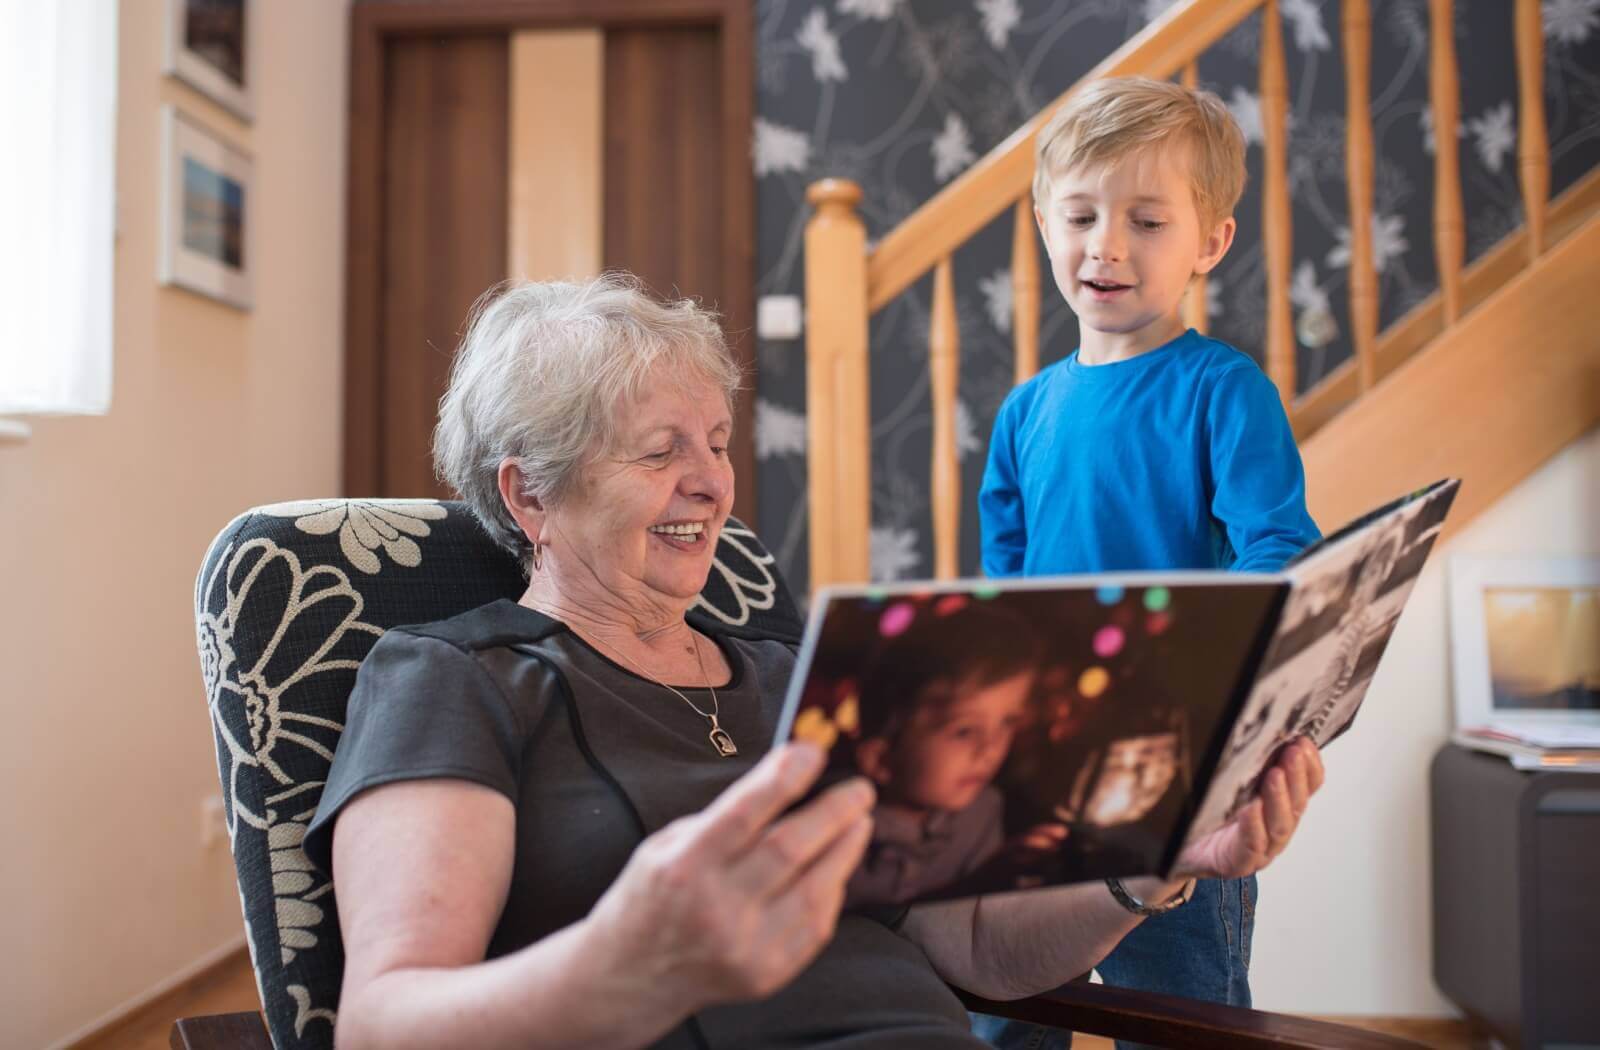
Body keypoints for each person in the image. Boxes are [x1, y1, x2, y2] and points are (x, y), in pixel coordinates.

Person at [302, 274, 1324, 1050]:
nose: (712, 483)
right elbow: (385, 1024)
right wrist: (626, 963)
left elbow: (973, 949)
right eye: (661, 453)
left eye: (717, 442)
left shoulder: (804, 673)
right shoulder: (455, 677)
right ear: (530, 495)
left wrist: (1158, 857)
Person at [976, 76, 1323, 1049]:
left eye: (1147, 220)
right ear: (1045, 224)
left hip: (1175, 761)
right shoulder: (1022, 414)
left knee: (1181, 1009)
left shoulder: (1224, 392)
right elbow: (996, 595)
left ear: (1209, 242)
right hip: (1038, 754)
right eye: (1080, 215)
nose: (1106, 246)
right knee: (1009, 1006)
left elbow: (1280, 557)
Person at [843, 603, 1040, 907]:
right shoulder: (836, 838)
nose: (990, 749)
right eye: (964, 731)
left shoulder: (983, 812)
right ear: (881, 760)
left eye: (1007, 723)